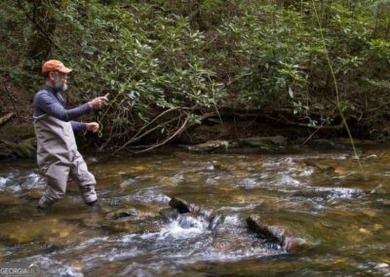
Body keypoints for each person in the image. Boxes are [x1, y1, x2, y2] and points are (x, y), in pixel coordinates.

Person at [33, 59, 109, 210]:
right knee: (56, 193)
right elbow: (64, 115)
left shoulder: (58, 96)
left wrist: (85, 126)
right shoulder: (43, 97)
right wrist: (90, 105)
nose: (66, 78)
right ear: (52, 75)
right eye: (63, 75)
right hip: (54, 155)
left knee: (87, 183)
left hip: (71, 151)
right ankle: (38, 215)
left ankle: (95, 215)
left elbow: (62, 124)